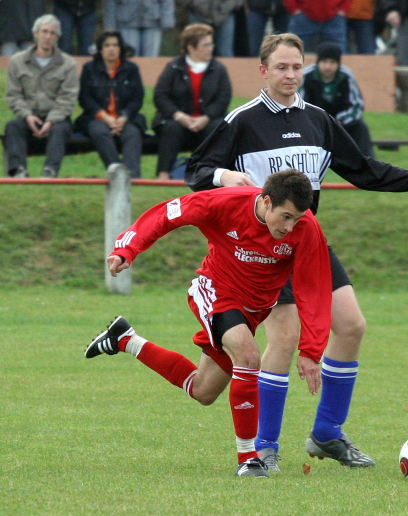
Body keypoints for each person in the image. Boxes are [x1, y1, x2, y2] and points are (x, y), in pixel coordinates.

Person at [183, 33, 408, 470]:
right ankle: (264, 448)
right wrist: (223, 176)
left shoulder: (319, 120)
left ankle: (327, 433)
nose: (290, 75)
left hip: (308, 244)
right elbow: (194, 170)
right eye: (281, 67)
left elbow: (364, 170)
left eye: (297, 67)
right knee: (284, 337)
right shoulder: (242, 121)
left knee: (350, 326)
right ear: (264, 71)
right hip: (266, 249)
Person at [85, 169, 332, 477]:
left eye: (296, 219)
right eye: (285, 217)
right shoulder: (224, 203)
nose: (289, 226)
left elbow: (314, 287)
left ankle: (125, 339)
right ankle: (249, 459)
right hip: (216, 291)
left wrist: (311, 349)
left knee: (202, 391)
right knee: (249, 356)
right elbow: (166, 215)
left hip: (254, 311)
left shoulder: (306, 228)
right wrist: (127, 249)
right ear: (267, 201)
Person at [152, 23, 232, 180]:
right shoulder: (173, 67)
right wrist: (179, 116)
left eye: (211, 44)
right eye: (205, 45)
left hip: (208, 121)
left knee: (217, 128)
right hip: (178, 122)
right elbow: (160, 96)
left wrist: (206, 117)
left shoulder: (218, 69)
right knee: (171, 128)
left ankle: (212, 175)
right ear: (191, 47)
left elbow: (223, 98)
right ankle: (163, 175)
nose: (210, 49)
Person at [4, 14, 79, 178]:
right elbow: (13, 95)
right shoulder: (17, 61)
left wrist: (50, 120)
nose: (47, 36)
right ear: (35, 34)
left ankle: (50, 171)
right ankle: (18, 171)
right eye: (44, 31)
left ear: (57, 37)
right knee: (12, 126)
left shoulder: (68, 64)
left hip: (57, 119)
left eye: (52, 33)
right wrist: (27, 116)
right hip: (29, 116)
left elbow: (68, 98)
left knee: (59, 130)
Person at [76, 31, 147, 178]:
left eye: (115, 45)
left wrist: (124, 117)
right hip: (96, 118)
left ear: (121, 48)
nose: (111, 49)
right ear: (100, 49)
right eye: (107, 45)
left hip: (126, 119)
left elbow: (137, 99)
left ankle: (133, 175)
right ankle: (118, 174)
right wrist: (105, 118)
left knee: (132, 133)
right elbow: (85, 99)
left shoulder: (131, 69)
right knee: (100, 132)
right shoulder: (89, 68)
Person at [300, 42, 374, 157]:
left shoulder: (346, 76)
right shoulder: (306, 75)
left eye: (332, 62)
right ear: (318, 62)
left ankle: (364, 160)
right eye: (324, 62)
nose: (328, 67)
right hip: (313, 123)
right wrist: (317, 121)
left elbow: (356, 106)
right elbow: (298, 105)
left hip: (341, 123)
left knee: (361, 127)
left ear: (338, 64)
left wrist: (339, 121)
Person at [103, 0, 175, 57]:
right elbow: (110, 3)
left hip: (153, 21)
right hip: (126, 21)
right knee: (130, 57)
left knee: (151, 59)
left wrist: (167, 20)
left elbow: (167, 1)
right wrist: (110, 25)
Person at [285, 0, 349, 53]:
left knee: (338, 53)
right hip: (303, 17)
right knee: (292, 50)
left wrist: (344, 8)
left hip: (334, 17)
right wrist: (293, 8)